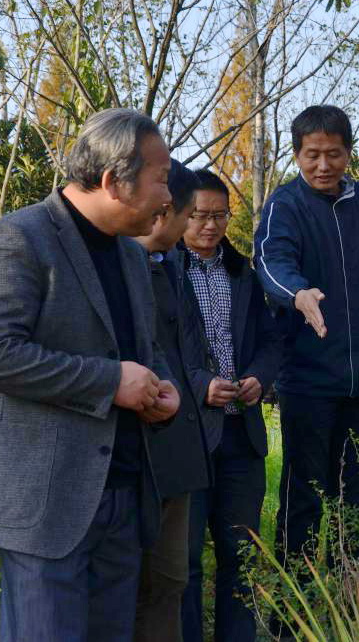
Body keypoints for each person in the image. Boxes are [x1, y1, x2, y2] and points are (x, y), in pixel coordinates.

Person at [0, 108, 181, 642]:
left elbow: (143, 349)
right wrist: (109, 382)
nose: (169, 196)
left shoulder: (130, 255)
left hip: (122, 495)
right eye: (162, 178)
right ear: (113, 182)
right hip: (47, 504)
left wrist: (162, 388)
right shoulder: (18, 238)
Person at [252, 105, 359, 569]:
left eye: (333, 154)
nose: (323, 166)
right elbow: (270, 262)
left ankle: (351, 598)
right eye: (312, 155)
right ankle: (292, 611)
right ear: (297, 154)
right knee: (306, 496)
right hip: (310, 381)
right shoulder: (285, 206)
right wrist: (298, 293)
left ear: (347, 154)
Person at [181, 170, 281, 642]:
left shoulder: (243, 273)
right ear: (180, 213)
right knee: (183, 563)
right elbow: (158, 347)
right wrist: (200, 385)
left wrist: (260, 376)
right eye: (198, 215)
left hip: (242, 437)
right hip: (186, 436)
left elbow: (269, 340)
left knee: (239, 558)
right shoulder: (161, 271)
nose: (209, 225)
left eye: (219, 215)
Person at [133, 160, 214, 641]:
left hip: (177, 450)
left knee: (170, 581)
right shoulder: (117, 269)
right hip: (137, 460)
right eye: (189, 216)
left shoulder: (170, 269)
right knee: (141, 585)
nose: (192, 228)